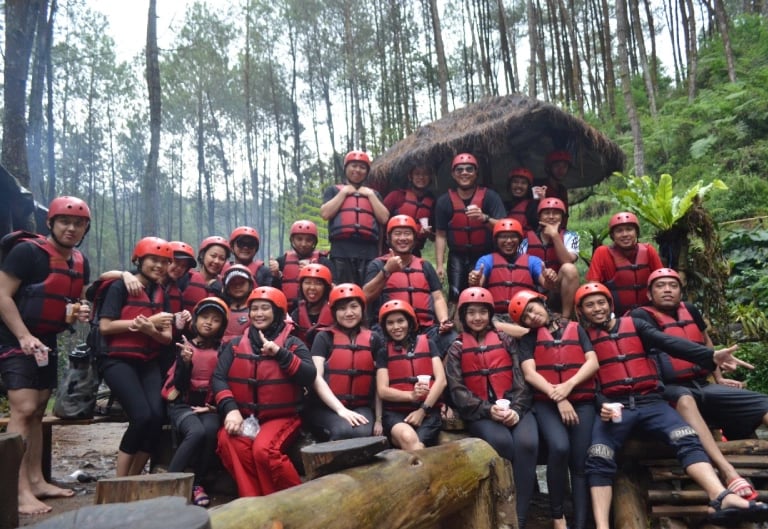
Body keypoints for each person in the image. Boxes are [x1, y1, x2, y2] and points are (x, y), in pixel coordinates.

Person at [574, 282, 768, 528]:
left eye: (601, 302)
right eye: (590, 305)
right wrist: (602, 403)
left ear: (610, 304)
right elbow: (586, 381)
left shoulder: (634, 324)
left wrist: (710, 356)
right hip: (615, 407)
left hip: (651, 401)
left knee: (686, 437)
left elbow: (669, 342)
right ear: (581, 311)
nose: (597, 309)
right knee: (598, 455)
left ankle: (720, 496)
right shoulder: (581, 337)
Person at [631, 267, 768, 498]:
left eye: (673, 286)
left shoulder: (691, 310)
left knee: (762, 403)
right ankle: (728, 472)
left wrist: (719, 377)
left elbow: (706, 343)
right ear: (649, 294)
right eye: (660, 286)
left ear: (680, 291)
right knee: (685, 399)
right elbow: (667, 345)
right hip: (668, 389)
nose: (667, 290)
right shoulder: (640, 317)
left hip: (702, 384)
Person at [0, 196, 92, 515]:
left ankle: (36, 481)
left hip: (46, 339)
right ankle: (16, 491)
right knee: (23, 408)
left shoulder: (79, 260)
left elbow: (78, 298)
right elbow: (2, 295)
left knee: (38, 409)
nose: (71, 228)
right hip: (13, 336)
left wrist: (81, 310)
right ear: (50, 223)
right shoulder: (27, 252)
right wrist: (23, 336)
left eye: (78, 223)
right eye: (64, 221)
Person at [445, 287, 538, 528]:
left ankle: (520, 516)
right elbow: (457, 391)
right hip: (481, 413)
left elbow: (520, 379)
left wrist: (516, 409)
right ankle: (501, 507)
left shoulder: (506, 340)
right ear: (463, 316)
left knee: (528, 443)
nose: (477, 317)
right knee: (502, 443)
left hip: (515, 407)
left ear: (490, 314)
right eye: (471, 313)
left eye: (482, 312)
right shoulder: (456, 348)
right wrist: (488, 410)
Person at [212, 286, 316, 497]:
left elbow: (309, 375)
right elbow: (218, 377)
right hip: (246, 417)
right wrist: (231, 410)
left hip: (282, 417)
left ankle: (295, 499)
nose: (258, 313)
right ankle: (252, 500)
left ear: (277, 312)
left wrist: (279, 353)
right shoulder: (235, 345)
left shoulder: (292, 343)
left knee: (264, 450)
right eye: (254, 309)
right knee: (227, 439)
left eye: (265, 308)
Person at [509, 289, 598, 529]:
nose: (532, 316)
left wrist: (569, 386)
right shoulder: (528, 340)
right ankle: (558, 516)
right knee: (559, 448)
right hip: (547, 404)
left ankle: (580, 524)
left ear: (542, 303)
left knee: (580, 463)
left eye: (532, 309)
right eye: (526, 317)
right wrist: (558, 397)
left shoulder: (576, 328)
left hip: (582, 401)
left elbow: (592, 362)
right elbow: (530, 374)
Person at [98, 237, 174, 477]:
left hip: (147, 362)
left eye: (164, 262)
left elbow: (167, 338)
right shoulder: (119, 286)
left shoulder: (161, 293)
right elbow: (105, 327)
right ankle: (119, 481)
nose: (159, 266)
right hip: (117, 360)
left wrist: (151, 330)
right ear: (139, 260)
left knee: (157, 417)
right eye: (153, 260)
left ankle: (134, 478)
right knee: (141, 416)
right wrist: (145, 323)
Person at [161, 297, 228, 507]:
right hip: (182, 405)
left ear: (221, 326)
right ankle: (168, 483)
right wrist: (186, 363)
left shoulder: (224, 350)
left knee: (210, 430)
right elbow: (179, 385)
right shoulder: (183, 345)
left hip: (208, 406)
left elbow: (225, 381)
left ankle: (197, 484)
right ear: (196, 320)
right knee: (196, 432)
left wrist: (215, 408)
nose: (209, 322)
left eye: (215, 320)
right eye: (205, 317)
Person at [363, 215, 456, 353]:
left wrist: (443, 320)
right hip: (389, 328)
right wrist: (386, 271)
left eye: (407, 233)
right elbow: (365, 296)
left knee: (453, 341)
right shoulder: (378, 265)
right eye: (397, 233)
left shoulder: (425, 266)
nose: (402, 238)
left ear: (414, 238)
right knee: (374, 341)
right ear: (389, 238)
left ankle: (440, 367)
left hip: (424, 328)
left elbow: (438, 297)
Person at [304, 283, 384, 441]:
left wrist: (379, 419)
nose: (348, 313)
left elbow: (379, 381)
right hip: (325, 407)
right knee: (342, 431)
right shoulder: (323, 337)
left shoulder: (374, 339)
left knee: (363, 432)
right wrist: (341, 410)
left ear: (362, 308)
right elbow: (316, 377)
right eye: (342, 308)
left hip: (360, 406)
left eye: (354, 306)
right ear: (334, 312)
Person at [434, 153, 506, 303]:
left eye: (469, 169)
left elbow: (504, 227)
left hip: (484, 254)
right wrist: (440, 265)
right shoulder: (444, 201)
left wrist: (484, 218)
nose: (464, 173)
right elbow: (440, 234)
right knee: (455, 296)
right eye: (459, 170)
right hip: (457, 255)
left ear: (476, 173)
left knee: (481, 294)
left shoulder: (490, 197)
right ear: (453, 174)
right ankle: (455, 317)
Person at [468, 218, 558, 337]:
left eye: (513, 237)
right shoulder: (486, 260)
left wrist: (549, 279)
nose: (509, 241)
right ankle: (529, 334)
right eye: (503, 237)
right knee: (490, 323)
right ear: (496, 240)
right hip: (497, 316)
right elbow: (478, 285)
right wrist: (475, 280)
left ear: (519, 240)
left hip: (525, 315)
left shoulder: (533, 261)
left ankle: (527, 333)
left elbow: (546, 284)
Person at [376, 299, 446, 450]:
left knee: (416, 445)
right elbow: (382, 390)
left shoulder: (429, 344)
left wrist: (422, 411)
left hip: (428, 411)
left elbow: (441, 381)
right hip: (395, 414)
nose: (396, 327)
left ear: (409, 322)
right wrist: (411, 396)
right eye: (390, 323)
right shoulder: (383, 352)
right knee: (409, 439)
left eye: (400, 321)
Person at [320, 150, 389, 285]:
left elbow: (384, 218)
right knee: (344, 291)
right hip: (341, 252)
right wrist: (344, 192)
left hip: (369, 252)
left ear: (367, 172)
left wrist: (370, 195)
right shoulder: (333, 190)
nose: (357, 170)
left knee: (368, 291)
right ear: (346, 168)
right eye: (354, 166)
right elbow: (325, 214)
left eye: (362, 167)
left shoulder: (374, 194)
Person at [586, 211, 663, 315]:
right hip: (616, 316)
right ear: (612, 235)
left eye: (629, 229)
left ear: (636, 233)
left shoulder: (648, 250)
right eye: (619, 231)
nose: (625, 234)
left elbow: (662, 281)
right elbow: (593, 287)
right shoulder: (602, 253)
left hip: (649, 312)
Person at [521, 198, 579, 321]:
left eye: (556, 213)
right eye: (547, 213)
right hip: (535, 287)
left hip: (558, 287)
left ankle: (565, 318)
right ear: (539, 217)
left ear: (562, 217)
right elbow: (521, 267)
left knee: (569, 268)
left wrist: (555, 235)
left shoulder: (570, 236)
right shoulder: (525, 240)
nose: (551, 217)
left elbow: (567, 261)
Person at [268, 220, 332, 313]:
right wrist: (276, 275)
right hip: (286, 313)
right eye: (299, 239)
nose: (303, 244)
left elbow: (332, 289)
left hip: (316, 312)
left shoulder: (324, 262)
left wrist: (313, 272)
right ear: (292, 240)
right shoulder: (281, 261)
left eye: (308, 240)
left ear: (314, 242)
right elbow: (273, 293)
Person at [382, 165, 436, 256]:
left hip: (415, 251)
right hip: (390, 250)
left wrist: (428, 234)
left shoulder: (432, 202)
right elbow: (380, 221)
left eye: (425, 174)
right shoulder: (396, 196)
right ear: (410, 177)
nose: (421, 177)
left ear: (430, 177)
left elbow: (434, 237)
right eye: (417, 174)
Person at [290, 263, 334, 348]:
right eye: (307, 282)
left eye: (318, 283)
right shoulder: (296, 314)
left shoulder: (335, 314)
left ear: (326, 288)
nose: (312, 287)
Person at [180, 236, 229, 311]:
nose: (216, 261)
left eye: (222, 258)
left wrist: (222, 294)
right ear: (202, 255)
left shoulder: (225, 286)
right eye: (213, 256)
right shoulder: (185, 278)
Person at [220, 264, 255, 344]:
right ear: (227, 288)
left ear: (250, 285)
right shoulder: (221, 310)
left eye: (242, 283)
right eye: (233, 283)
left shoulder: (257, 311)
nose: (238, 286)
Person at [505, 167, 539, 232]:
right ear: (509, 185)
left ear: (528, 188)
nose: (519, 186)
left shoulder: (532, 206)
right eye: (515, 182)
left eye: (523, 183)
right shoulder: (503, 206)